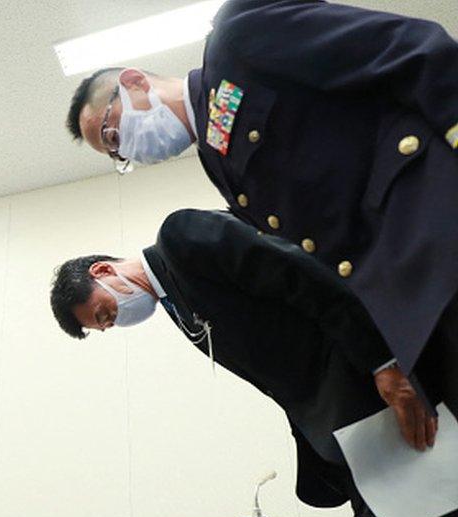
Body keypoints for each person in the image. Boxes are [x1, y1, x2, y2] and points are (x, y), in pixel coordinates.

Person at [64, 0, 458, 384]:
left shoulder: (236, 39)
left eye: (112, 133)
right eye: (116, 153)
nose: (125, 148)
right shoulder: (215, 162)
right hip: (409, 293)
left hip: (435, 215)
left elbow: (408, 49)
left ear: (134, 82)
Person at [49, 209, 457, 517]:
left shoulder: (180, 236)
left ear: (103, 271)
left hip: (371, 397)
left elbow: (305, 275)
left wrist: (383, 364)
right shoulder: (177, 306)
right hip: (346, 436)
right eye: (107, 325)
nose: (117, 320)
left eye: (105, 312)